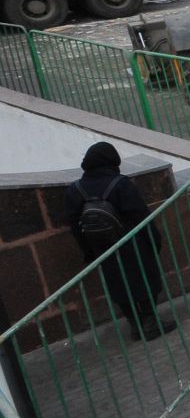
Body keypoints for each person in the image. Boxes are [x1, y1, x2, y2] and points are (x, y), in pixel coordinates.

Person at [64, 142, 175, 340]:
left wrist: (89, 251)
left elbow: (75, 224)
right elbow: (141, 215)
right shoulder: (120, 184)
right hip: (133, 243)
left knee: (117, 284)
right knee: (145, 279)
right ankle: (150, 322)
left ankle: (135, 323)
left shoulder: (75, 189)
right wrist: (154, 240)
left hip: (103, 248)